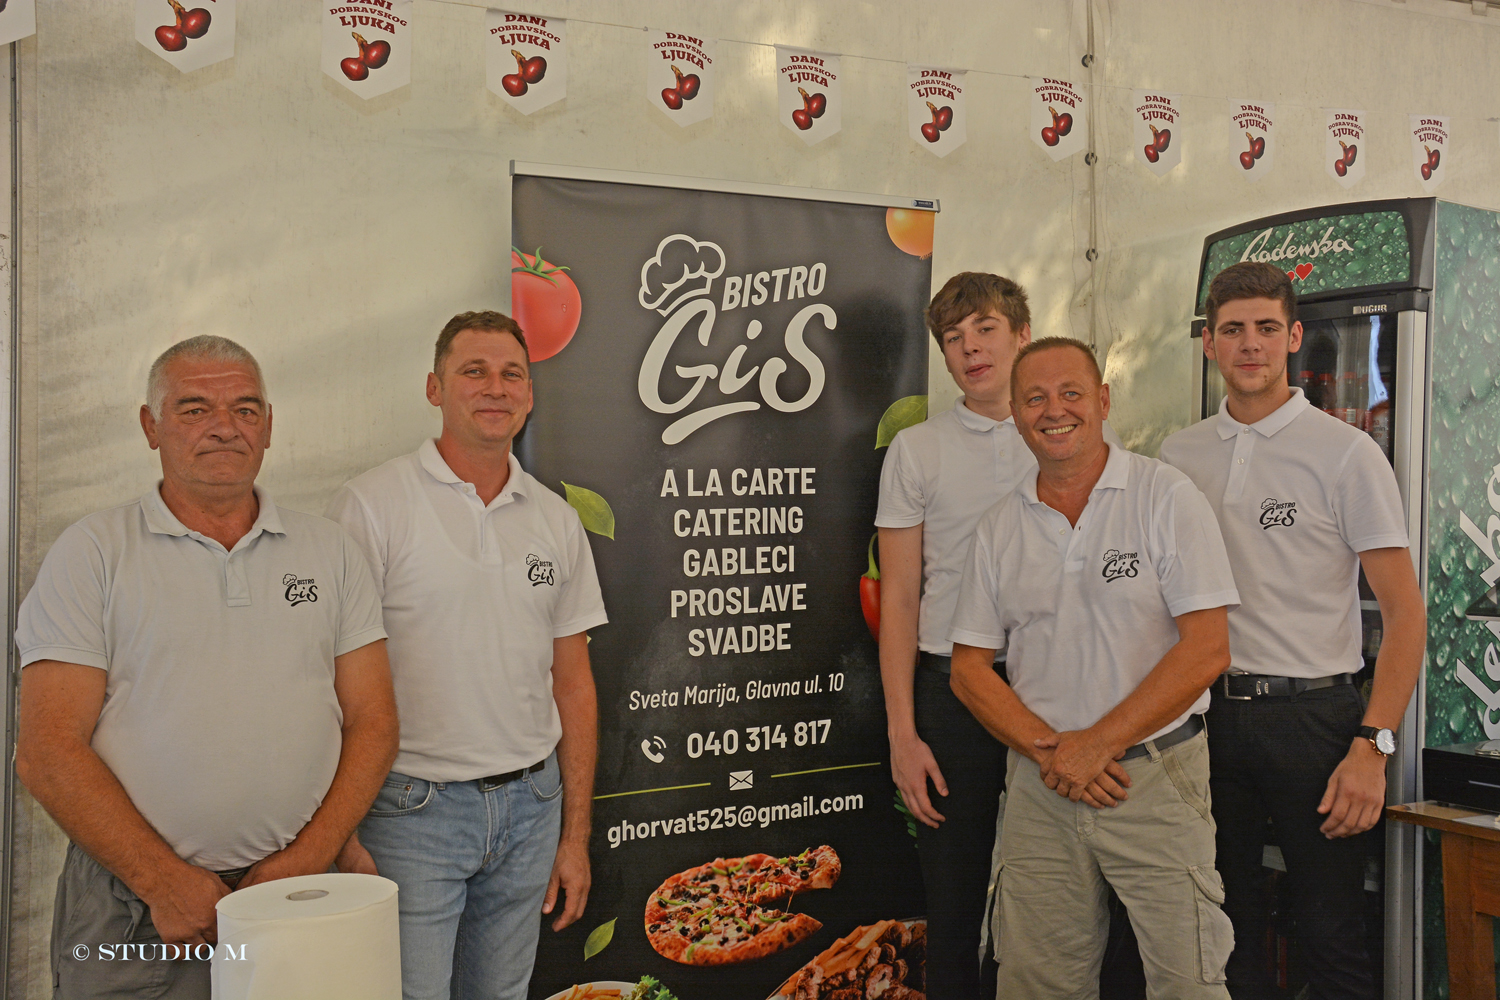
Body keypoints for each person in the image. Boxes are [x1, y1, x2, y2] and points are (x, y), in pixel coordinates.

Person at [14, 335, 398, 1000]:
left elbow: (374, 722)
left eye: (245, 409)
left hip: (298, 893)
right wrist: (161, 881)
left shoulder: (330, 551)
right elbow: (47, 751)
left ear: (269, 427)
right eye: (195, 409)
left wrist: (310, 856)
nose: (224, 427)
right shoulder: (94, 553)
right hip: (134, 908)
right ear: (150, 426)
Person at [1159, 262, 1425, 1000]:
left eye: (1266, 328)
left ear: (1295, 337)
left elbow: (1405, 615)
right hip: (1205, 720)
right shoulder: (1177, 457)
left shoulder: (1347, 453)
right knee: (1221, 935)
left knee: (1331, 936)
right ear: (1209, 343)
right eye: (1233, 329)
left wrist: (1372, 748)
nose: (1250, 344)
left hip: (1315, 723)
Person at [327, 310, 606, 1000]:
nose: (495, 387)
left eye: (512, 374)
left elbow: (573, 685)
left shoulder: (555, 518)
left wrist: (574, 836)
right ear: (434, 388)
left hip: (532, 809)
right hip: (410, 811)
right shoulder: (371, 505)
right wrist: (339, 832)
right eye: (473, 371)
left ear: (530, 395)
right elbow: (327, 683)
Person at [949, 336, 1239, 998]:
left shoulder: (1165, 497)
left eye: (1071, 393)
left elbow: (1207, 648)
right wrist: (1055, 753)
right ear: (1015, 415)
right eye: (1035, 399)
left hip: (1155, 777)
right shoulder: (999, 527)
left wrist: (1098, 744)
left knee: (1188, 982)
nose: (1054, 410)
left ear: (1103, 401)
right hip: (1041, 785)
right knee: (1036, 984)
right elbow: (968, 670)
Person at [876, 273, 1122, 997]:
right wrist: (902, 734)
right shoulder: (917, 450)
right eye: (954, 339)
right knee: (955, 906)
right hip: (952, 693)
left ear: (1023, 335)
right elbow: (899, 598)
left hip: (1062, 687)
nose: (971, 349)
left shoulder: (1068, 435)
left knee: (1077, 896)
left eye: (985, 329)